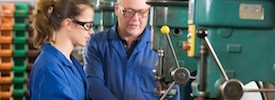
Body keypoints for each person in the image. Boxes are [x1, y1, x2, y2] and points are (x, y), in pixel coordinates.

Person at [83, 0, 179, 99]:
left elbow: (172, 90)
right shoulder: (96, 43)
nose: (135, 19)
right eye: (129, 11)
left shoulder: (164, 45)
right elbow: (94, 83)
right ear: (117, 9)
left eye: (142, 12)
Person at [29, 0, 94, 99]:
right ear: (68, 24)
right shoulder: (49, 68)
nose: (91, 31)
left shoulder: (70, 63)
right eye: (87, 26)